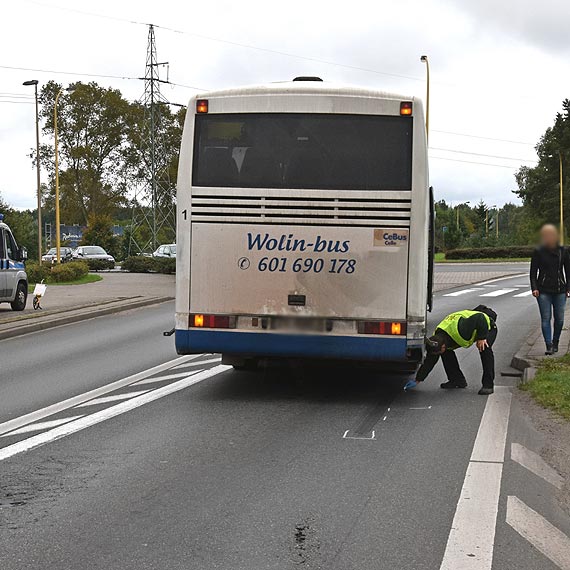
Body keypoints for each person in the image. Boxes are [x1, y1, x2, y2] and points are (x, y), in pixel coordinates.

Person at [411, 306, 498, 395]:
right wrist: (418, 379)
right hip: (472, 325)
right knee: (446, 353)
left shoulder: (462, 329)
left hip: (487, 326)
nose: (437, 354)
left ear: (443, 346)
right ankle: (457, 380)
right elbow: (430, 360)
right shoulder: (436, 339)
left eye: (439, 351)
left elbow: (480, 317)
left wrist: (482, 338)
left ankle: (488, 385)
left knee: (484, 347)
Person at [530, 224, 570, 355]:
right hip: (543, 291)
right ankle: (548, 345)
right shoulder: (538, 251)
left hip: (560, 290)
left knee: (559, 319)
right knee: (545, 318)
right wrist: (534, 288)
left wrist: (568, 287)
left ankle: (556, 341)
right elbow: (533, 272)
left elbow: (568, 271)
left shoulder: (563, 251)